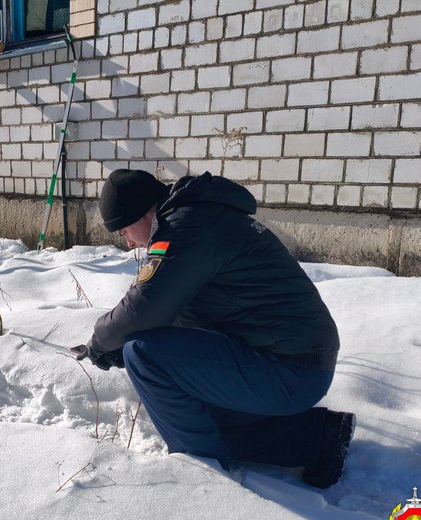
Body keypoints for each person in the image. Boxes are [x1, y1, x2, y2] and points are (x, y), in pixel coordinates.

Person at [77, 169, 355, 489]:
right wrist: (122, 339)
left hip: (291, 368)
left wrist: (102, 340)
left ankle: (201, 475)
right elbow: (175, 309)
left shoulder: (186, 227)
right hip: (295, 361)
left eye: (124, 229)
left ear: (144, 212)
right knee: (195, 412)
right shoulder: (201, 217)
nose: (127, 242)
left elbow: (146, 305)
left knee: (144, 355)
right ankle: (318, 439)